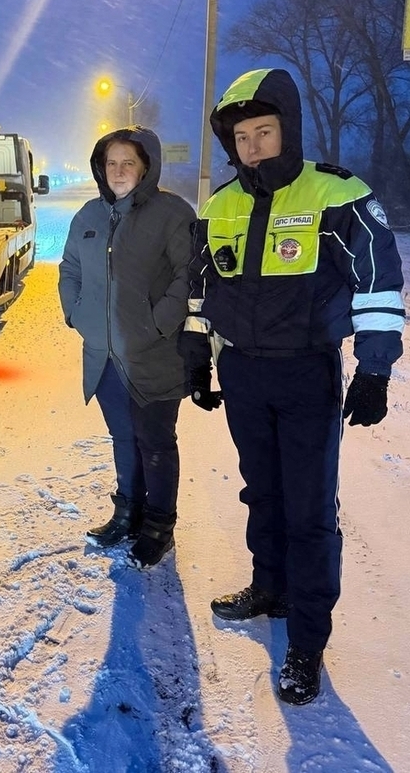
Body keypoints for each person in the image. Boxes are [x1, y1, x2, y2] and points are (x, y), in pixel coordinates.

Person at [179, 67, 405, 705]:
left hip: (308, 372)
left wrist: (375, 368)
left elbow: (379, 284)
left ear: (289, 129)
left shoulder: (337, 194)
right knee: (263, 491)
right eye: (242, 136)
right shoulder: (220, 204)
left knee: (308, 510)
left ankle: (307, 638)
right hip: (244, 373)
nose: (252, 145)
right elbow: (200, 291)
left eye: (264, 131)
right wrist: (197, 355)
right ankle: (269, 586)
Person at [58, 125, 195, 569]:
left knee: (155, 442)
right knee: (123, 437)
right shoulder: (89, 217)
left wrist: (158, 324)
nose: (118, 171)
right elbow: (69, 269)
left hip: (152, 356)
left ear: (146, 167)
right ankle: (128, 512)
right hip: (104, 357)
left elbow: (188, 275)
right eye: (111, 163)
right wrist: (77, 314)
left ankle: (159, 526)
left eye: (128, 163)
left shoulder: (172, 213)